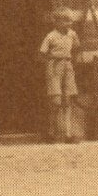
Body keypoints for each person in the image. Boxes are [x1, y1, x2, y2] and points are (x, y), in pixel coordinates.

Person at [38, 8, 82, 143]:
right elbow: (42, 54)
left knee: (68, 100)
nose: (68, 23)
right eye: (64, 20)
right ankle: (52, 132)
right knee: (55, 101)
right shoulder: (50, 36)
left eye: (70, 20)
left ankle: (68, 134)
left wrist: (70, 62)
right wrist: (53, 61)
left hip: (67, 67)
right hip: (54, 67)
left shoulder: (72, 35)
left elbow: (76, 48)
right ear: (56, 22)